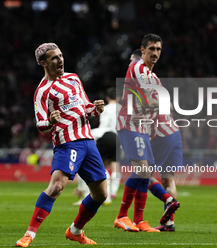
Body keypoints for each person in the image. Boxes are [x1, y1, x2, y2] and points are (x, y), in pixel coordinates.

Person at [16, 43, 107, 247]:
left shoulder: (73, 78)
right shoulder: (42, 91)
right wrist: (50, 121)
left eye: (61, 56)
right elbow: (40, 123)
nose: (60, 60)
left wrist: (96, 108)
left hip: (88, 140)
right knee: (57, 186)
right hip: (67, 142)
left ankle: (75, 231)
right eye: (54, 58)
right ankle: (29, 234)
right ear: (43, 63)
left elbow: (85, 108)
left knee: (101, 194)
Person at [114, 34, 177, 233]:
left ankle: (139, 220)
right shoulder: (139, 68)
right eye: (152, 49)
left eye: (158, 49)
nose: (155, 53)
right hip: (130, 123)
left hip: (143, 127)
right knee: (142, 169)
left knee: (145, 172)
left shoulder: (153, 75)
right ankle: (121, 216)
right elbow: (148, 101)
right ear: (143, 50)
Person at [130, 47, 181, 231]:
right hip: (173, 131)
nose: (130, 64)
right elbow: (170, 104)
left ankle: (164, 203)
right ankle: (169, 222)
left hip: (159, 132)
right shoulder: (155, 79)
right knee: (169, 179)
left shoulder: (141, 77)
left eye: (131, 60)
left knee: (144, 173)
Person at [73, 87, 122, 206]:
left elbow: (104, 126)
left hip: (106, 136)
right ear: (119, 98)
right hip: (120, 139)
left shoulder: (107, 109)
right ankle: (112, 193)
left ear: (107, 98)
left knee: (92, 165)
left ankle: (87, 195)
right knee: (115, 166)